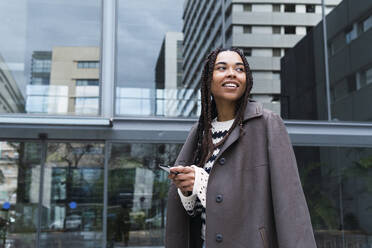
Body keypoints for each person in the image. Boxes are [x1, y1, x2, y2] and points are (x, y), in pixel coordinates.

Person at [165, 47, 316, 248]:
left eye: (239, 69)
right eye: (222, 68)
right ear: (207, 81)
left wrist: (203, 183)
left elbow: (290, 204)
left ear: (247, 80)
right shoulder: (200, 133)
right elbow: (195, 213)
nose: (232, 73)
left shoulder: (267, 124)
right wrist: (188, 191)